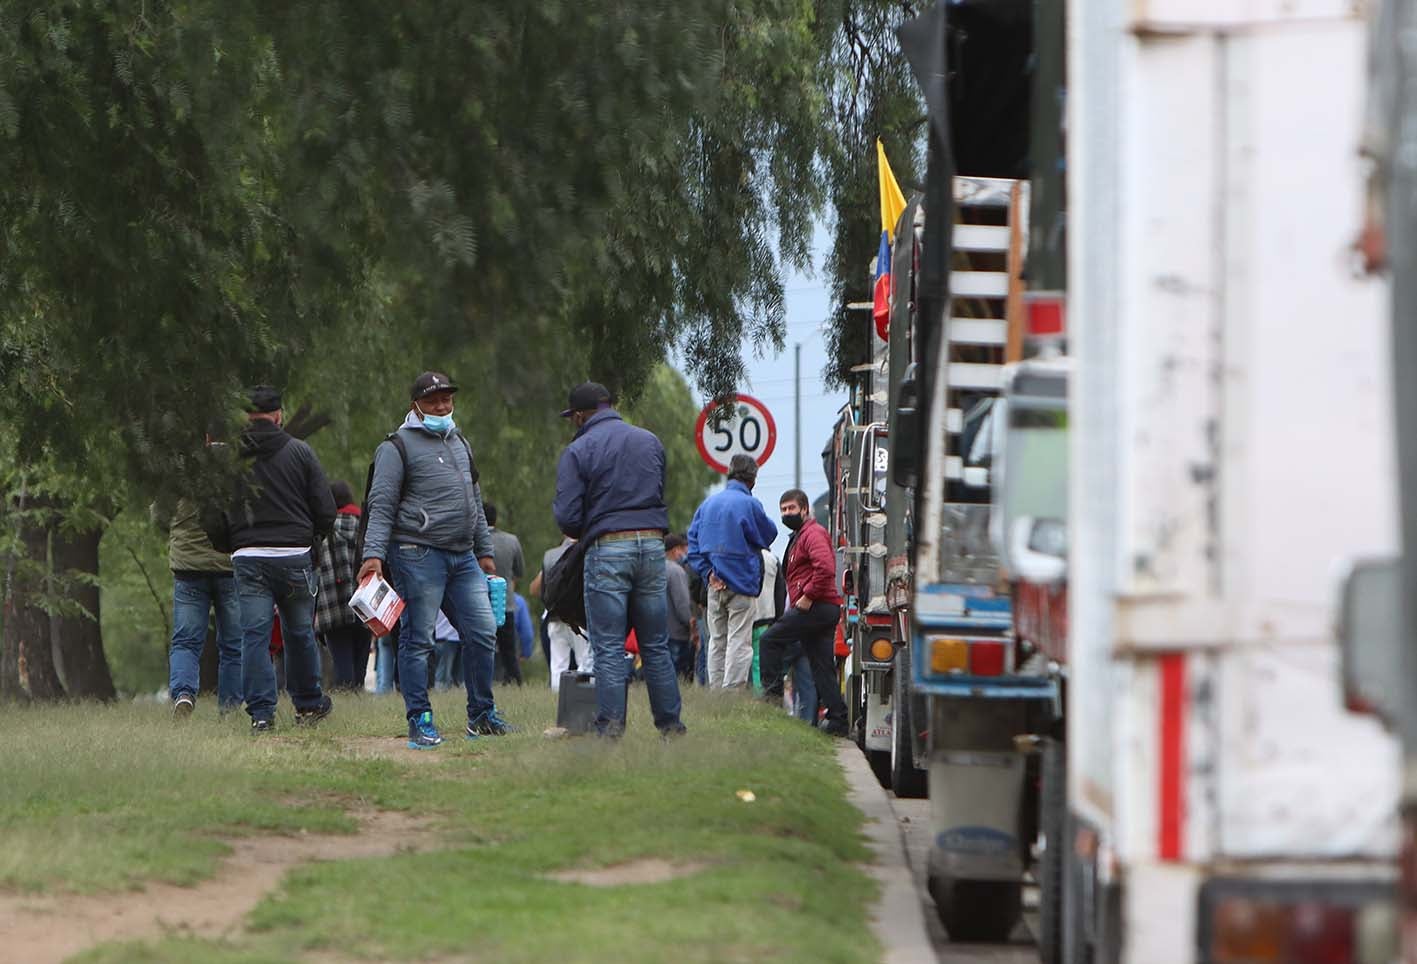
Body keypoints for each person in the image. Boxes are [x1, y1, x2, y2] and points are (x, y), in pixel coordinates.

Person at [358, 371, 512, 749]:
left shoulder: (460, 442)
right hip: (416, 553)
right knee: (419, 639)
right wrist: (373, 555)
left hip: (463, 556)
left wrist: (485, 552)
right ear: (416, 406)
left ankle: (481, 715)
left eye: (447, 399)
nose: (442, 407)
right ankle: (420, 719)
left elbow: (474, 501)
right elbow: (381, 505)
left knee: (482, 632)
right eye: (433, 401)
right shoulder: (395, 447)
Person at [552, 381, 684, 736]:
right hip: (653, 544)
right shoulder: (649, 441)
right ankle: (671, 727)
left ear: (579, 416)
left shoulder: (579, 450)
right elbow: (659, 491)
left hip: (609, 545)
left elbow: (567, 517)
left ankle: (609, 730)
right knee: (655, 644)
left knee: (608, 646)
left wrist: (593, 523)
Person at [205, 385, 336, 733]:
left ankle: (262, 714)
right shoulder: (300, 452)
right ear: (279, 415)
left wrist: (231, 544)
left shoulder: (228, 459)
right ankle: (308, 705)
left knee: (254, 636)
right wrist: (311, 540)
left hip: (249, 556)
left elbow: (211, 513)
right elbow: (326, 509)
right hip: (294, 555)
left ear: (245, 418)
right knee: (300, 632)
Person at [758, 488, 848, 736]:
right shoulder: (801, 535)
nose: (787, 514)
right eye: (783, 510)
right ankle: (838, 719)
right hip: (824, 607)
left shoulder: (813, 534)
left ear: (805, 509)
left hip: (816, 606)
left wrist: (808, 596)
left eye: (792, 508)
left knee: (769, 640)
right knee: (821, 666)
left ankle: (772, 702)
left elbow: (825, 568)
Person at [686, 455, 777, 689]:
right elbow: (769, 534)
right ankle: (732, 693)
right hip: (742, 582)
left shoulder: (707, 505)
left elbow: (692, 545)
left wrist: (708, 573)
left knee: (716, 641)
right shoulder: (750, 505)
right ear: (752, 479)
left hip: (714, 584)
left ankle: (716, 693)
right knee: (739, 641)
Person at [164, 498, 242, 716]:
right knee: (234, 644)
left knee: (185, 641)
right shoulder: (235, 478)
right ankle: (230, 709)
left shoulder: (176, 480)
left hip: (188, 565)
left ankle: (183, 694)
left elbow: (159, 514)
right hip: (230, 566)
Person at [315, 480, 371, 692]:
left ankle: (347, 695)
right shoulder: (365, 526)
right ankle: (358, 695)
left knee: (341, 660)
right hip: (365, 601)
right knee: (361, 658)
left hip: (334, 603)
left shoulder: (325, 528)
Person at [530, 536, 593, 692]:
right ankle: (583, 696)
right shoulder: (585, 553)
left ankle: (557, 698)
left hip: (554, 616)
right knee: (584, 661)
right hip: (578, 616)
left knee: (558, 665)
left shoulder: (549, 555)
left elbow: (540, 590)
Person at [483, 501, 526, 686]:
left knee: (480, 646)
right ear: (496, 519)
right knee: (509, 650)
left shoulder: (473, 541)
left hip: (480, 601)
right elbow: (520, 571)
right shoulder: (511, 540)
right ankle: (515, 682)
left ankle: (481, 681)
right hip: (504, 601)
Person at [664, 534, 696, 681]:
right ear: (675, 550)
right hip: (677, 633)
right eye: (683, 549)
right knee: (679, 678)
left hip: (659, 632)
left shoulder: (654, 569)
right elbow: (682, 603)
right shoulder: (676, 571)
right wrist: (690, 624)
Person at [433, 611, 461, 690]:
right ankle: (440, 690)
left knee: (450, 672)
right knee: (444, 672)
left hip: (454, 636)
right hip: (445, 637)